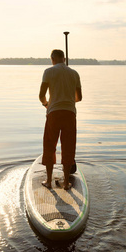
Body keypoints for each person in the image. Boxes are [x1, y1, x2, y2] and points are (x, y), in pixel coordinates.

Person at [39, 49, 82, 190]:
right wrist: (68, 100)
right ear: (64, 59)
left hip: (54, 113)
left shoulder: (48, 72)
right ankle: (65, 183)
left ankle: (49, 181)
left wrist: (47, 104)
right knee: (68, 145)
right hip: (70, 113)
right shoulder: (74, 73)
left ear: (52, 59)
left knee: (50, 145)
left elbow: (41, 95)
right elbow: (79, 98)